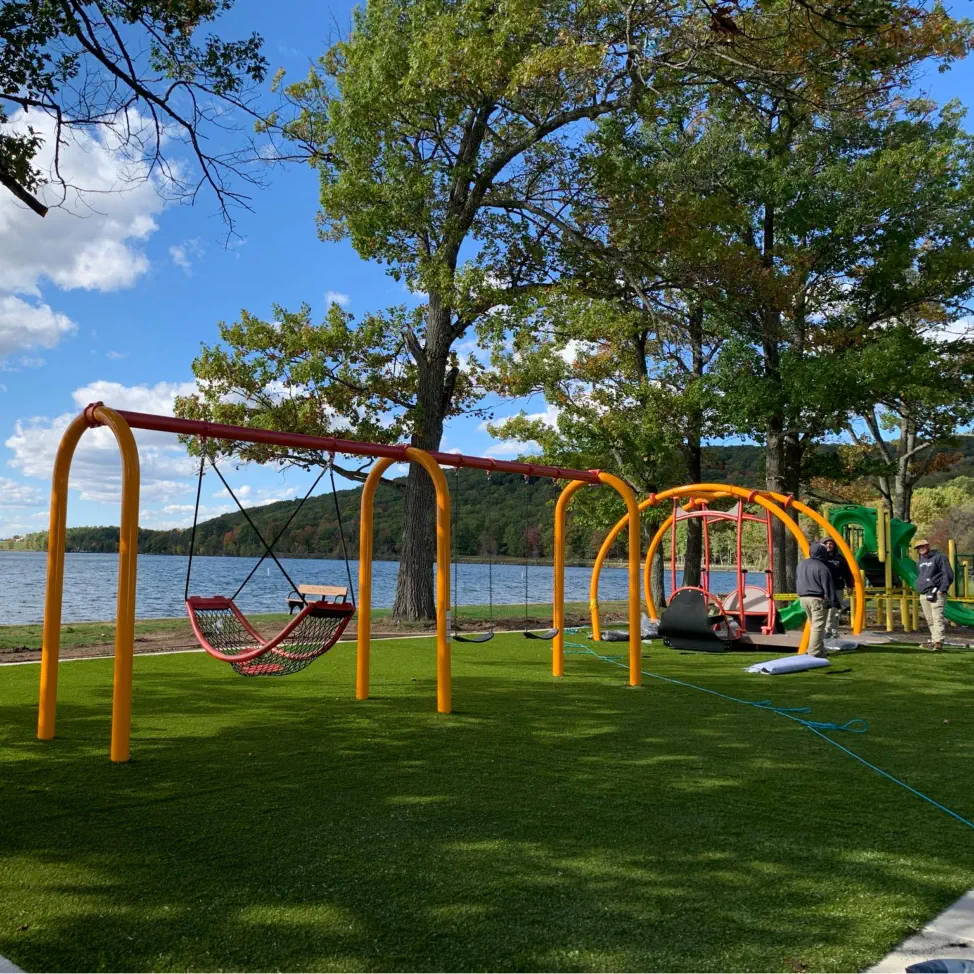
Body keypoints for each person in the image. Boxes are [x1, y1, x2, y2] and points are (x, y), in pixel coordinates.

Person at [796, 542, 840, 658]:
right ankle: (814, 653)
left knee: (813, 624)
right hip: (817, 599)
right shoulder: (822, 567)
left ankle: (819, 650)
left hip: (803, 598)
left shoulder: (801, 564)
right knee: (818, 626)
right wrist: (834, 602)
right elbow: (828, 587)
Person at [914, 539, 953, 651]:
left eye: (923, 546)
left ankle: (938, 642)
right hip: (924, 593)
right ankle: (934, 639)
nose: (921, 549)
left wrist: (942, 589)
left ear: (928, 546)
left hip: (936, 592)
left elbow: (948, 575)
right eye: (918, 548)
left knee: (937, 618)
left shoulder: (939, 557)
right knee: (930, 619)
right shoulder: (921, 560)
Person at [821, 537, 856, 638]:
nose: (828, 545)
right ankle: (825, 632)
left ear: (834, 546)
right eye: (826, 544)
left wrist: (850, 585)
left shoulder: (840, 558)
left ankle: (834, 631)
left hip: (837, 588)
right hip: (824, 589)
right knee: (825, 610)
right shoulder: (820, 558)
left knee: (835, 610)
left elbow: (848, 573)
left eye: (831, 544)